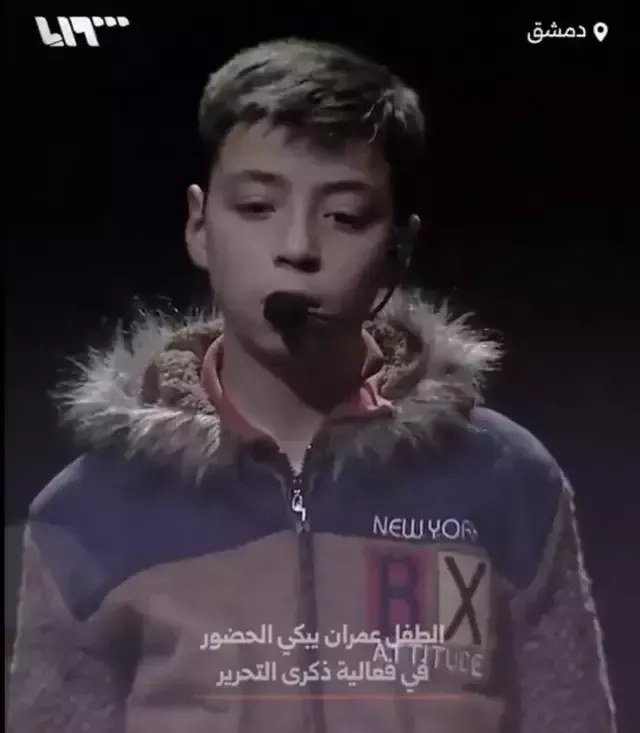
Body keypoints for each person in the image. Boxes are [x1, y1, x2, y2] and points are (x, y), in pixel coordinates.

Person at [7, 37, 616, 733]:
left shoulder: (510, 484)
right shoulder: (86, 514)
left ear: (399, 249)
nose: (297, 247)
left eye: (345, 216)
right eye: (257, 206)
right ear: (199, 226)